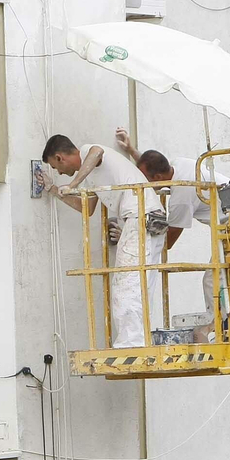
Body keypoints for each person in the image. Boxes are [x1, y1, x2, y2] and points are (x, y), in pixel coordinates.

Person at [40, 134, 164, 348]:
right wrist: (53, 190)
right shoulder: (91, 174)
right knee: (142, 284)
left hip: (140, 217)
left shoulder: (89, 151)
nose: (58, 172)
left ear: (60, 157)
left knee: (126, 282)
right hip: (151, 219)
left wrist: (73, 183)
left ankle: (131, 344)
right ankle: (141, 340)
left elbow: (97, 152)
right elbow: (86, 209)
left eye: (55, 167)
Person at [113, 128, 221, 339]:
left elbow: (167, 242)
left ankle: (219, 328)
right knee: (218, 277)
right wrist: (132, 151)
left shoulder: (182, 196)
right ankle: (220, 325)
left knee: (214, 279)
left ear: (158, 177)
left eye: (146, 181)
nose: (144, 186)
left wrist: (130, 237)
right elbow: (154, 168)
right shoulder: (178, 165)